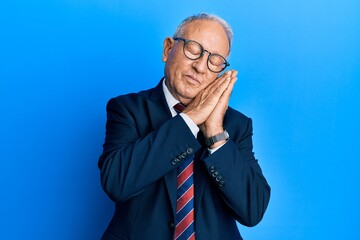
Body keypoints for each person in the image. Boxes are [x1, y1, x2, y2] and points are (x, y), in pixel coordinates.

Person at [98, 13, 270, 240]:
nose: (200, 67)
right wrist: (189, 119)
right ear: (168, 49)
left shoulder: (236, 125)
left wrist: (215, 133)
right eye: (193, 49)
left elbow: (253, 210)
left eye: (215, 60)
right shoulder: (128, 109)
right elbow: (117, 182)